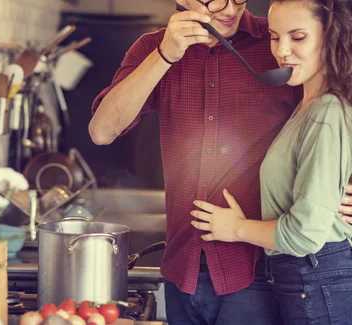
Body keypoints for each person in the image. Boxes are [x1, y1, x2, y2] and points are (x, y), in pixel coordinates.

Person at [89, 0, 352, 324]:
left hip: (258, 269)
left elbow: (337, 109)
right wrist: (164, 56)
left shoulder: (282, 44)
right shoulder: (152, 48)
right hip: (181, 266)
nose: (229, 8)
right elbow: (102, 132)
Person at [189, 0, 352, 324]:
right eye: (276, 37)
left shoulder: (326, 113)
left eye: (299, 37)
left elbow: (304, 235)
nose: (283, 51)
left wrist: (235, 229)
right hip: (309, 277)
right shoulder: (310, 106)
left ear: (331, 36)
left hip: (317, 277)